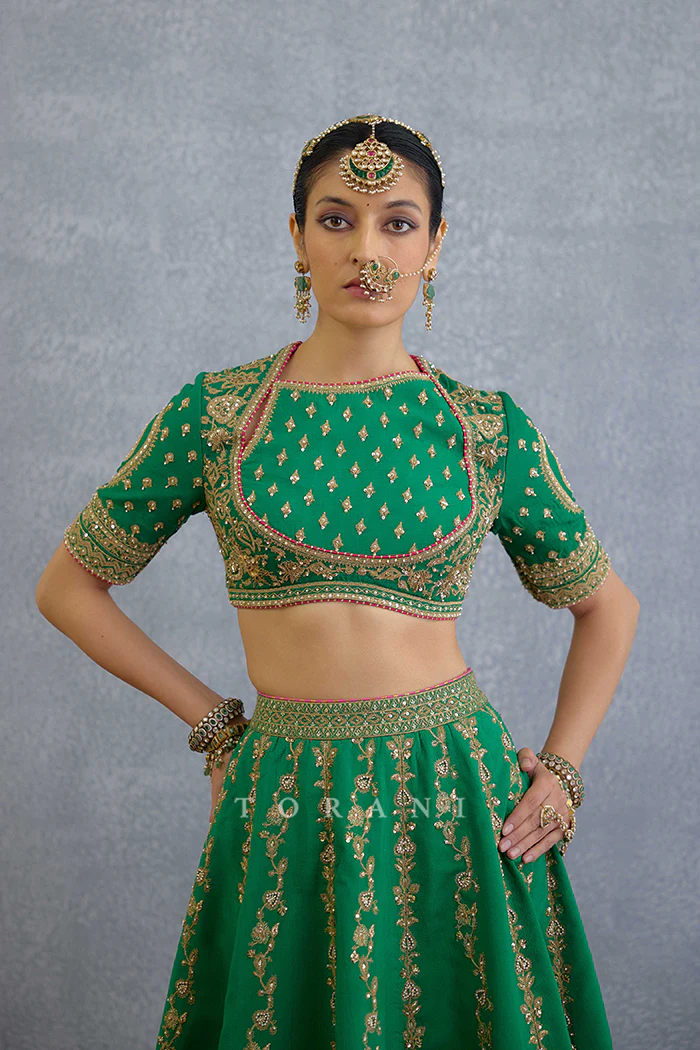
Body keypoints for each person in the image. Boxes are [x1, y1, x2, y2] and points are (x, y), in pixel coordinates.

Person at [36, 114, 639, 1050]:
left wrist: (560, 770)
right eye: (335, 219)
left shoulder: (483, 430)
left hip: (456, 799)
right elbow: (67, 587)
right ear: (297, 237)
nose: (367, 250)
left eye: (398, 223)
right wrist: (215, 722)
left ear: (436, 244)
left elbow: (609, 607)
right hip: (285, 796)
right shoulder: (220, 417)